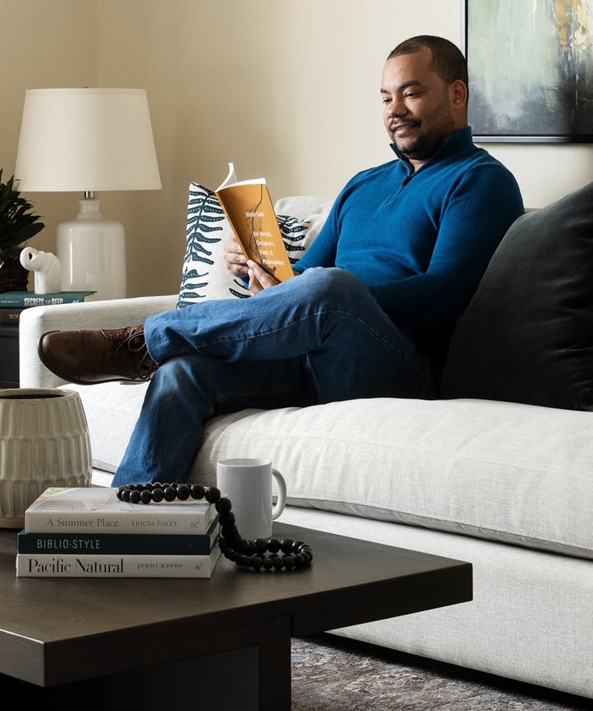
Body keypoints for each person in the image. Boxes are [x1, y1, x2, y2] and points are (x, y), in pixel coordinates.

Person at [39, 36, 524, 484]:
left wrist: (335, 300)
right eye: (385, 98)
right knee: (182, 373)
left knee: (332, 288)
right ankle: (131, 524)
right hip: (311, 354)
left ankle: (144, 340)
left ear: (456, 94)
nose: (394, 110)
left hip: (399, 367)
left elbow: (446, 293)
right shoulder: (363, 184)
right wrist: (264, 278)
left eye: (411, 93)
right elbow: (302, 279)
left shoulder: (480, 180)